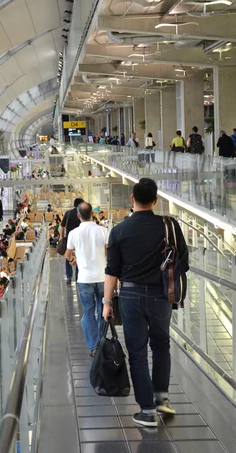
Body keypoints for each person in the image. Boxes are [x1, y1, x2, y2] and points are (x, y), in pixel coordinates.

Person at [103, 178, 189, 427]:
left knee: (137, 354)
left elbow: (112, 271)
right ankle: (162, 398)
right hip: (163, 295)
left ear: (132, 199)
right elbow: (184, 261)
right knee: (161, 345)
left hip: (130, 297)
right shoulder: (169, 226)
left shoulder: (119, 231)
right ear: (155, 200)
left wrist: (107, 302)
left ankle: (148, 411)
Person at [65, 202, 109, 357]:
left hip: (84, 279)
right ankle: (102, 340)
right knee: (102, 309)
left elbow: (67, 254)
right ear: (93, 214)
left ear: (78, 216)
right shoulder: (103, 231)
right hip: (103, 277)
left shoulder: (74, 233)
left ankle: (93, 345)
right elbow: (108, 251)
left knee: (88, 312)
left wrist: (73, 261)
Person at [59, 197, 84, 284]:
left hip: (70, 238)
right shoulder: (82, 213)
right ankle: (78, 277)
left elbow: (62, 227)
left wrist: (62, 237)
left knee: (68, 256)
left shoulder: (68, 213)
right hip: (80, 239)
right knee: (79, 256)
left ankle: (69, 276)